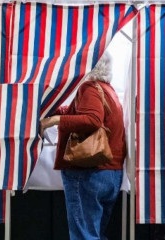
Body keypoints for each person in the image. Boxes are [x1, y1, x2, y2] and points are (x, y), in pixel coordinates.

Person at [40, 52, 127, 240]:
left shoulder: (89, 89)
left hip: (88, 173)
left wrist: (55, 120)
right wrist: (60, 109)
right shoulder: (107, 90)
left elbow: (92, 119)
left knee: (84, 236)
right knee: (94, 234)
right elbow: (85, 113)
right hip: (110, 174)